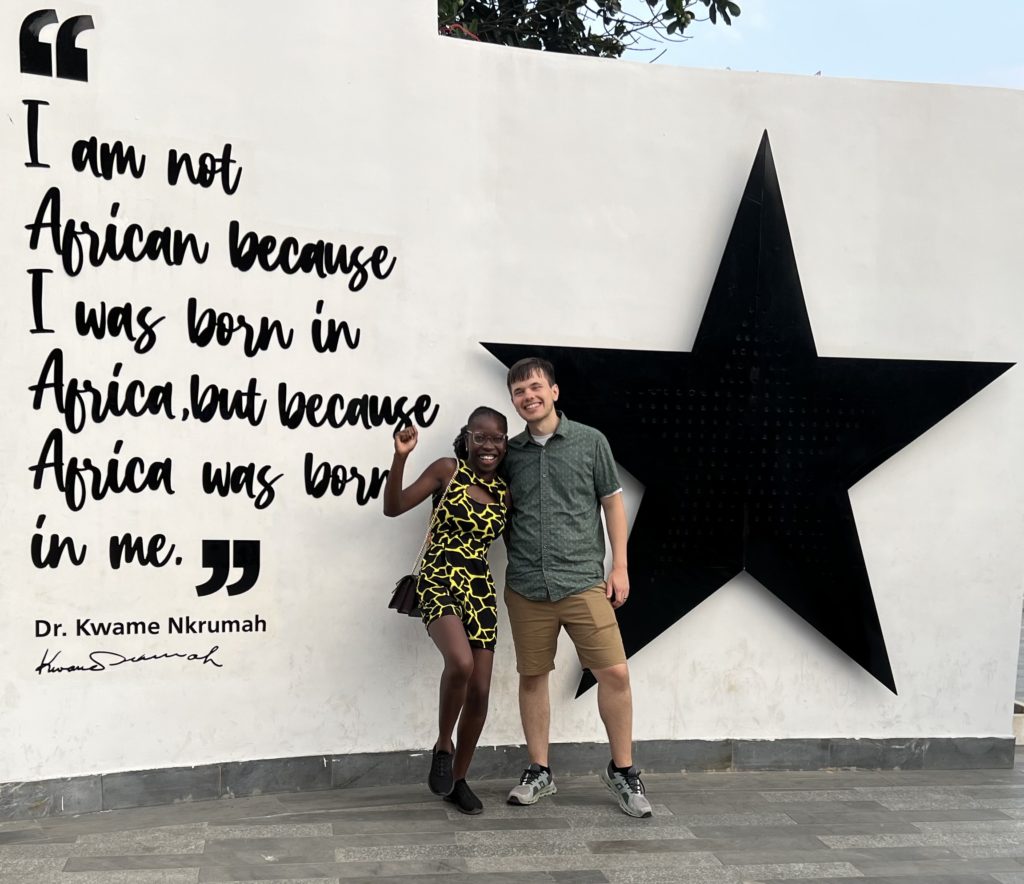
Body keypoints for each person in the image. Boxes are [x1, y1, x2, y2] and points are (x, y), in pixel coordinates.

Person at [500, 357, 652, 818]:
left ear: (554, 391)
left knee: (615, 673)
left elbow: (612, 504)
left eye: (535, 387)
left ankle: (623, 772)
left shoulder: (590, 442)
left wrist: (619, 566)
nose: (529, 396)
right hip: (527, 585)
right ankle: (539, 770)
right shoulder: (509, 454)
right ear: (513, 401)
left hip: (583, 581)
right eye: (519, 391)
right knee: (532, 676)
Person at [383, 407, 509, 814]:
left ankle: (458, 778)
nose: (489, 445)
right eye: (481, 437)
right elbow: (394, 506)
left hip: (480, 589)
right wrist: (401, 456)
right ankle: (443, 744)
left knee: (481, 690)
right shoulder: (447, 470)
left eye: (497, 438)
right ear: (468, 438)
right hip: (439, 578)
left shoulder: (506, 491)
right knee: (459, 663)